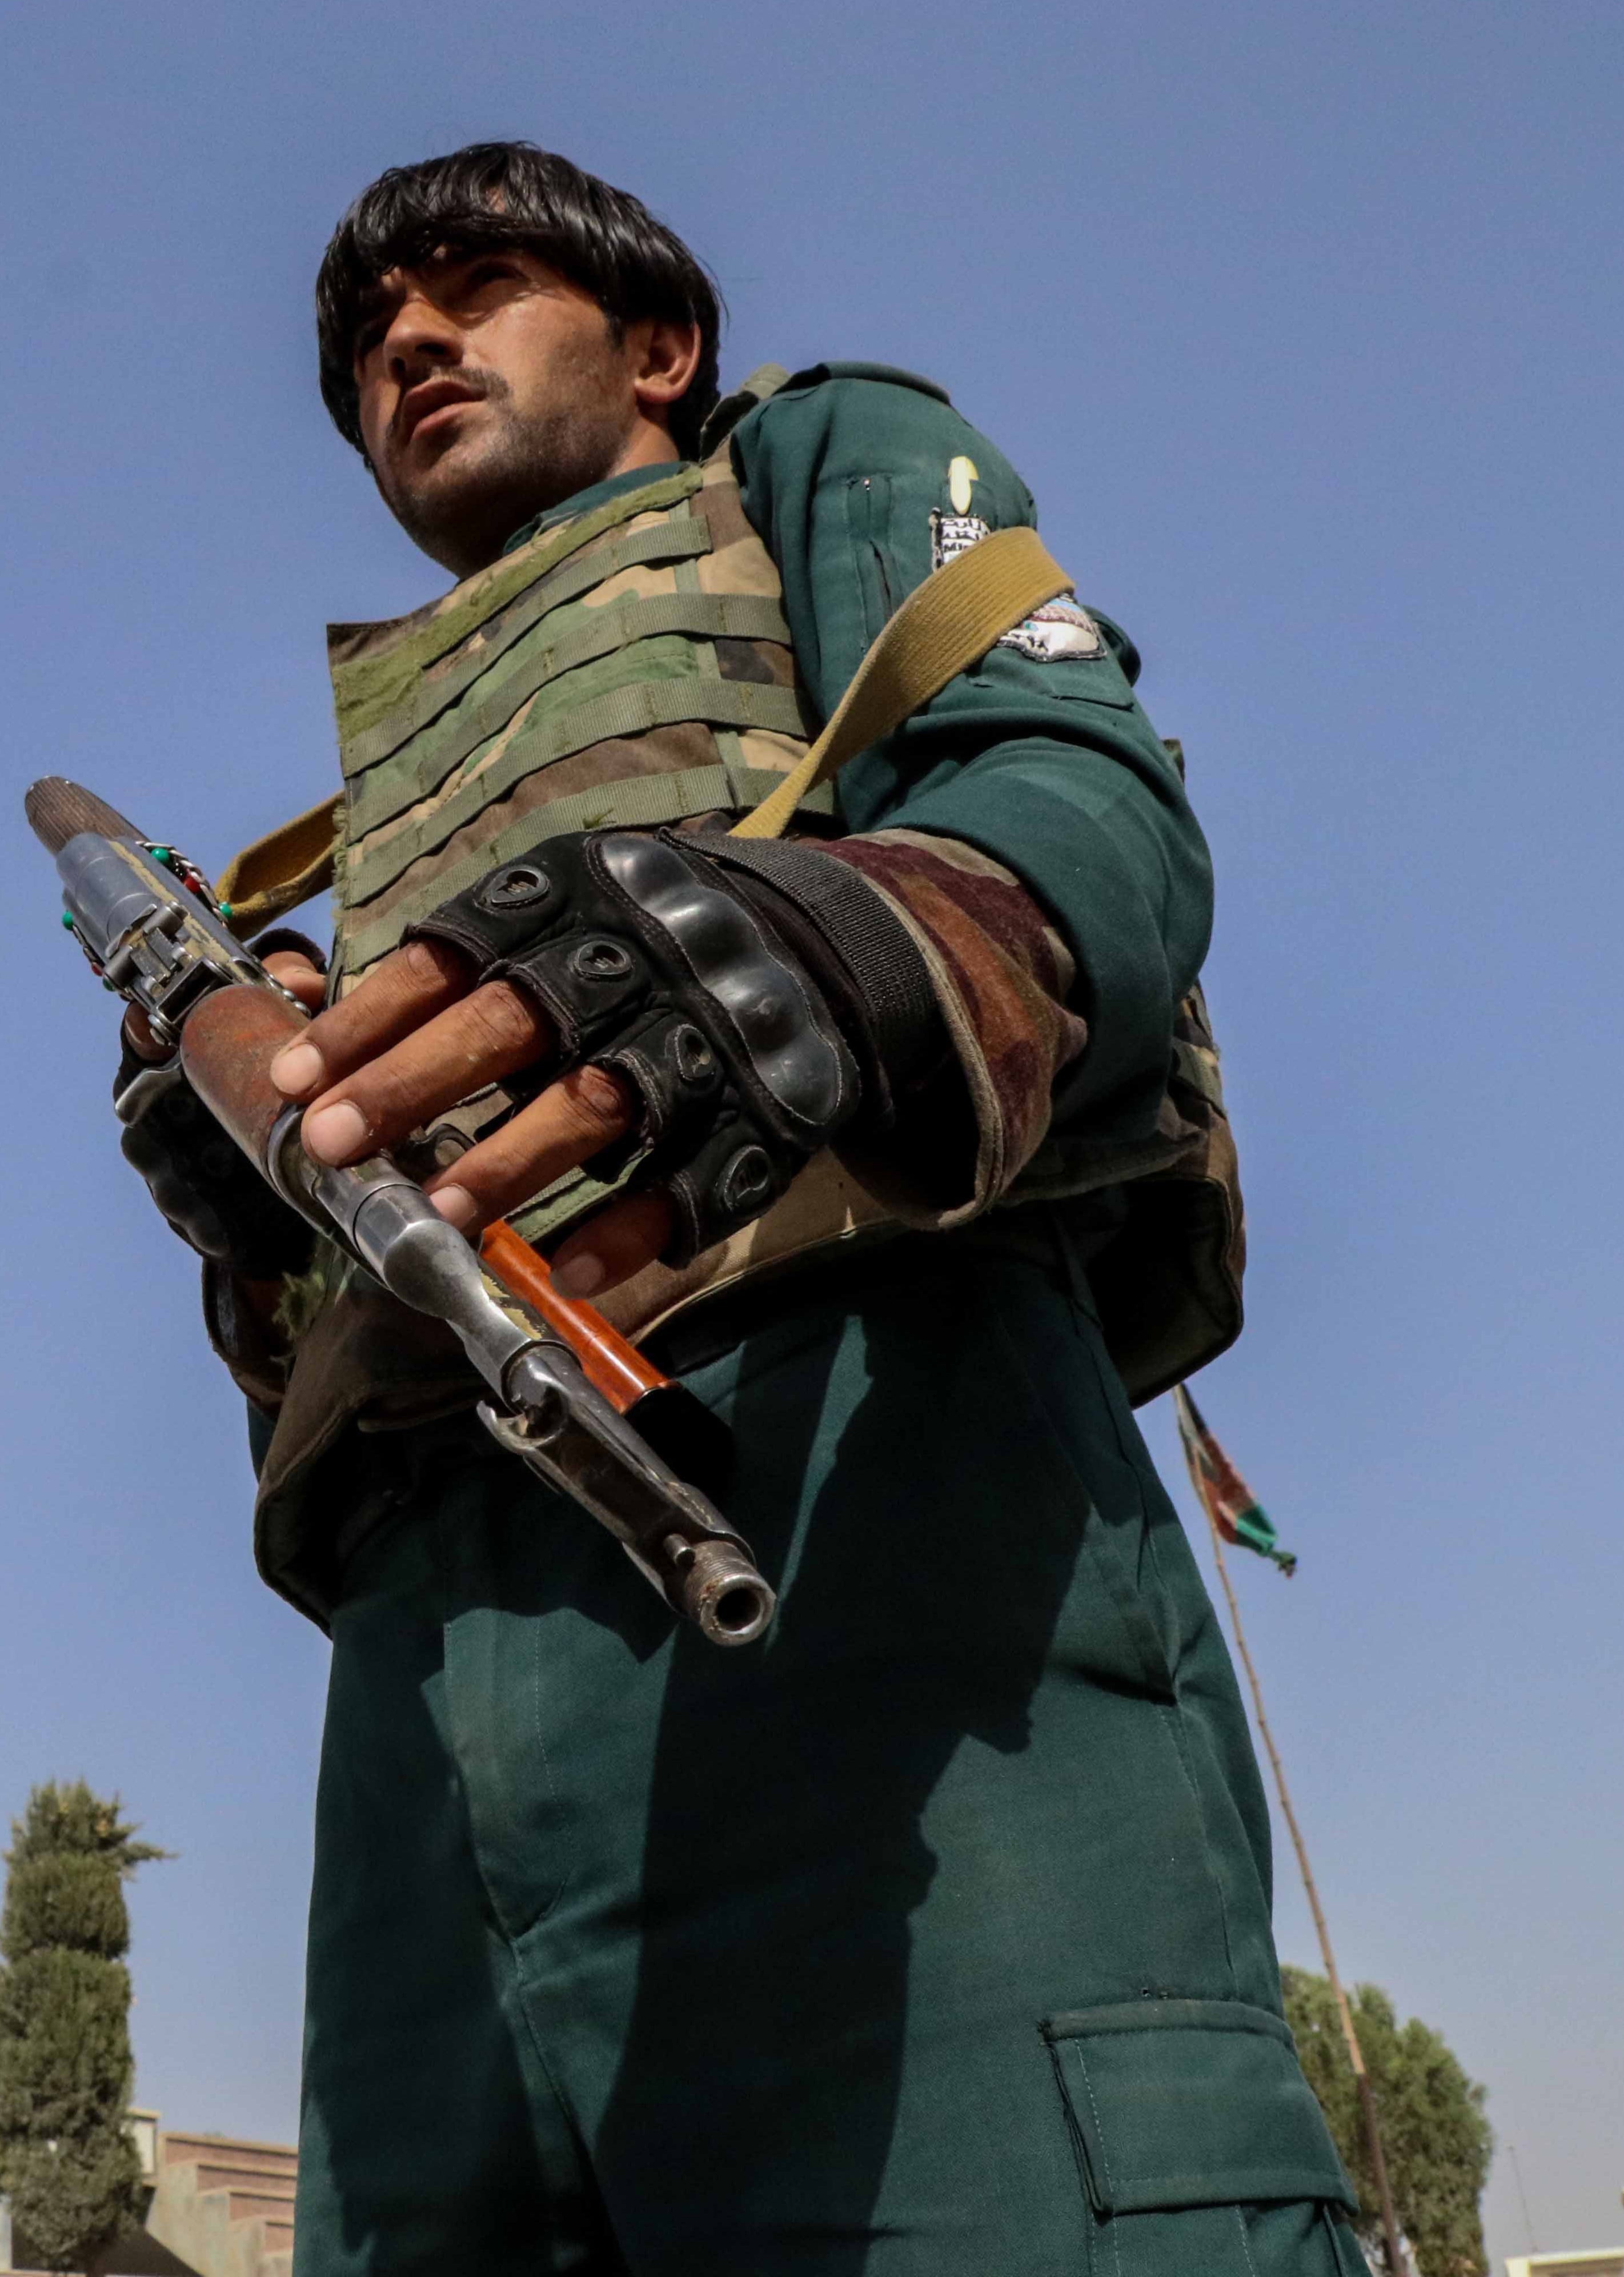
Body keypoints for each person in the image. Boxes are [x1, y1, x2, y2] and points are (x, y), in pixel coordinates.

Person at [112, 142, 1368, 2276]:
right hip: (436, 1682)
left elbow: (1076, 800)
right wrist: (266, 1201)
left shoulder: (817, 460)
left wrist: (834, 943)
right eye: (361, 343)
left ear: (660, 344)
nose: (402, 340)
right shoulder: (389, 793)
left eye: (478, 284)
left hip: (874, 1538)